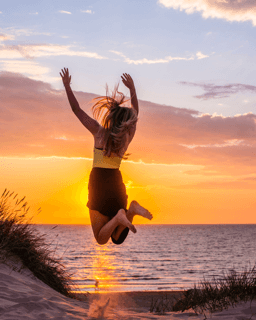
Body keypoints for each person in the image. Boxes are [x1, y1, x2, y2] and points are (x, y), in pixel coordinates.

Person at [60, 68, 152, 245]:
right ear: (126, 122)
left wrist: (67, 86)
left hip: (99, 183)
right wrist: (133, 89)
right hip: (116, 183)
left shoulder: (98, 131)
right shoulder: (126, 137)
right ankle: (129, 211)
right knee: (117, 239)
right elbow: (135, 112)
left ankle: (120, 217)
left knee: (101, 238)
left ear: (111, 117)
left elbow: (76, 109)